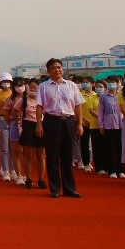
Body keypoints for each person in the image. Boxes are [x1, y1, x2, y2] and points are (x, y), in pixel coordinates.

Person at [37, 58, 83, 198]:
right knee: (52, 156)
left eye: (59, 67)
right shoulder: (43, 86)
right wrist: (39, 124)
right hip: (52, 121)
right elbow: (39, 106)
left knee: (68, 157)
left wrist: (79, 123)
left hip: (69, 121)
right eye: (53, 68)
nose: (57, 70)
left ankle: (69, 188)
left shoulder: (71, 85)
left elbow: (78, 105)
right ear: (48, 71)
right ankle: (55, 189)